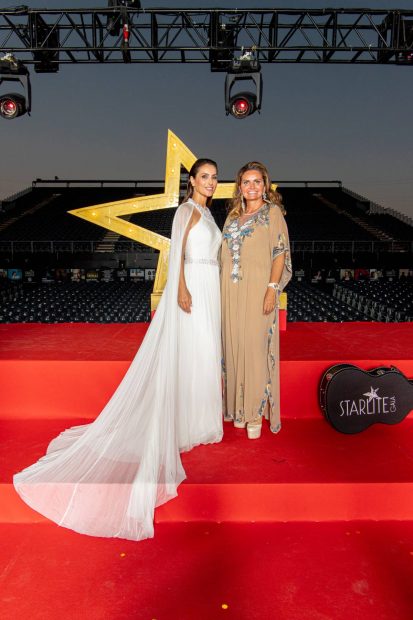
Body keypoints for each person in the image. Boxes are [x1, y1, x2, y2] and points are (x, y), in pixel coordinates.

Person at [14, 159, 223, 541]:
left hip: (212, 289)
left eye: (213, 177)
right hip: (192, 284)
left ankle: (199, 420)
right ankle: (182, 421)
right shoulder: (187, 211)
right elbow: (177, 255)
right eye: (204, 177)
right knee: (189, 353)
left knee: (204, 354)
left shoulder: (210, 215)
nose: (209, 182)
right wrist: (180, 288)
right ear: (191, 180)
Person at [221, 162, 292, 439]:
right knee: (234, 348)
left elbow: (280, 252)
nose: (251, 187)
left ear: (265, 185)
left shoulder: (272, 213)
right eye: (246, 182)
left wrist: (272, 289)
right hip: (230, 292)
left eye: (257, 182)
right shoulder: (232, 217)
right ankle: (239, 409)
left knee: (253, 349)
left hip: (258, 290)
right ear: (240, 187)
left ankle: (254, 414)